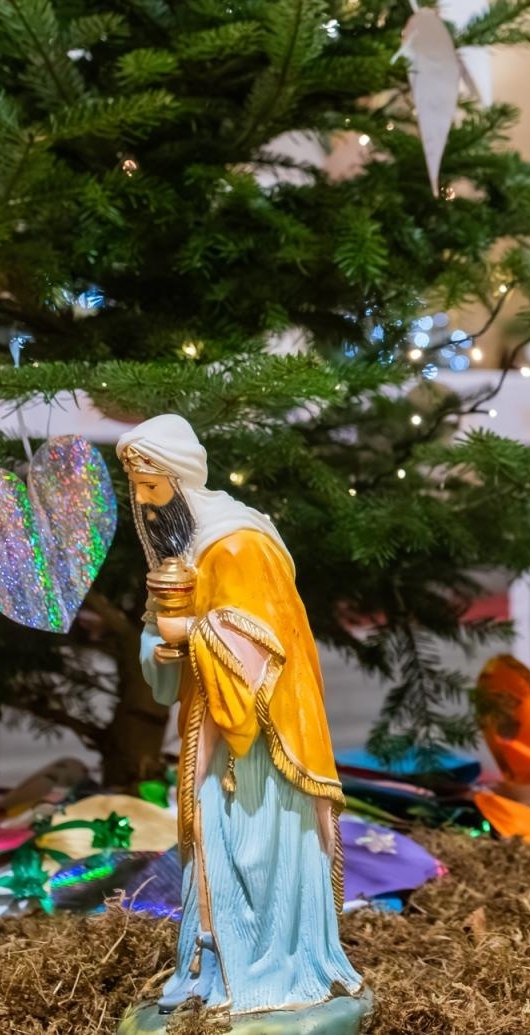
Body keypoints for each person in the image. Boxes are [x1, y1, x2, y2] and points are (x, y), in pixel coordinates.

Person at [115, 415, 365, 1022]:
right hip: (211, 727)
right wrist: (165, 641)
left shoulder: (237, 542)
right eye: (137, 490)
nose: (144, 504)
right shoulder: (182, 549)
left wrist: (190, 632)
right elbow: (162, 652)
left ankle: (278, 966)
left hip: (261, 737)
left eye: (152, 488)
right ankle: (215, 964)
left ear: (178, 480)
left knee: (259, 844)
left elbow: (263, 645)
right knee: (214, 846)